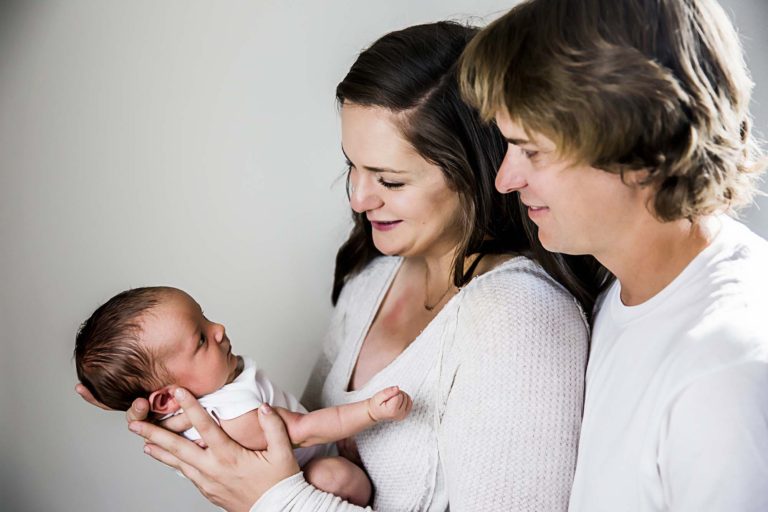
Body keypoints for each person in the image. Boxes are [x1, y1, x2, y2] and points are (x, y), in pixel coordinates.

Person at [77, 22, 607, 510]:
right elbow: (289, 454)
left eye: (389, 180)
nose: (357, 198)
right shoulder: (370, 281)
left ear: (477, 171)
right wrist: (168, 411)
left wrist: (272, 502)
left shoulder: (519, 318)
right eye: (350, 165)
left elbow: (278, 492)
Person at [459, 0, 768, 510]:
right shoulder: (608, 288)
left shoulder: (723, 376)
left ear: (639, 146)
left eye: (532, 151)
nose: (505, 180)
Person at [75, 286, 412, 506]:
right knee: (334, 475)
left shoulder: (201, 392)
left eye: (205, 317)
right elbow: (305, 428)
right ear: (166, 400)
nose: (218, 328)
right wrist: (369, 411)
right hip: (302, 487)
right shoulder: (232, 418)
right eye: (202, 339)